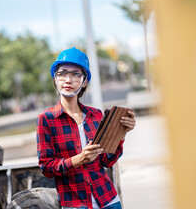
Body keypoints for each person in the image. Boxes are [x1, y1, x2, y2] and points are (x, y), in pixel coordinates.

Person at [36, 47, 136, 209]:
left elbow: (106, 161)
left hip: (108, 200)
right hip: (75, 203)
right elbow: (46, 168)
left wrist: (121, 134)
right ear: (55, 78)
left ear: (84, 82)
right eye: (62, 73)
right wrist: (78, 159)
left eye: (76, 74)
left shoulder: (95, 115)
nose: (68, 79)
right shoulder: (46, 119)